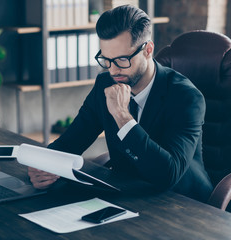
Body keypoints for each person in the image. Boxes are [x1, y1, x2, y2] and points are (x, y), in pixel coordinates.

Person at [28, 5, 213, 202]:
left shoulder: (186, 97)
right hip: (129, 195)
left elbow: (168, 174)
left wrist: (123, 117)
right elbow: (71, 141)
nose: (113, 70)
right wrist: (44, 165)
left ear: (148, 50)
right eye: (106, 60)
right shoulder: (105, 84)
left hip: (183, 204)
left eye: (122, 59)